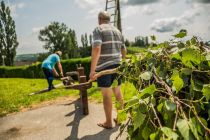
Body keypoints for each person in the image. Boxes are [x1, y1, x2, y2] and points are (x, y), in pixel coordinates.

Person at [89, 11, 126, 129]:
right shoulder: (117, 31)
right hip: (118, 66)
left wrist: (92, 71)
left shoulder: (98, 29)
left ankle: (109, 122)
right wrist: (123, 63)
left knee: (106, 95)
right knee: (118, 92)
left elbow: (96, 49)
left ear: (99, 19)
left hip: (104, 68)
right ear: (109, 19)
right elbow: (123, 49)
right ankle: (120, 119)